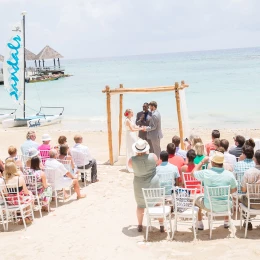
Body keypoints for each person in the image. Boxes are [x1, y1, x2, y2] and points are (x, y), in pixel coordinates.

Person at [191, 152, 237, 230]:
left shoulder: (206, 173)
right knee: (229, 197)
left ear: (212, 162)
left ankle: (199, 223)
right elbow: (234, 190)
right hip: (226, 206)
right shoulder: (229, 174)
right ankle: (226, 221)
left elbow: (192, 173)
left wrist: (202, 162)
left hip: (209, 205)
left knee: (195, 200)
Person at [128, 139, 162, 232]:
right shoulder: (153, 156)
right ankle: (162, 225)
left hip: (139, 184)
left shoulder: (132, 160)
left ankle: (139, 225)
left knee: (140, 205)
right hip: (153, 182)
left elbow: (130, 166)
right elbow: (157, 163)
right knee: (157, 203)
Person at [240, 150, 260, 230]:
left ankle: (247, 221)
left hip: (251, 203)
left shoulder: (248, 172)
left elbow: (244, 189)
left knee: (241, 197)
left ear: (254, 159)